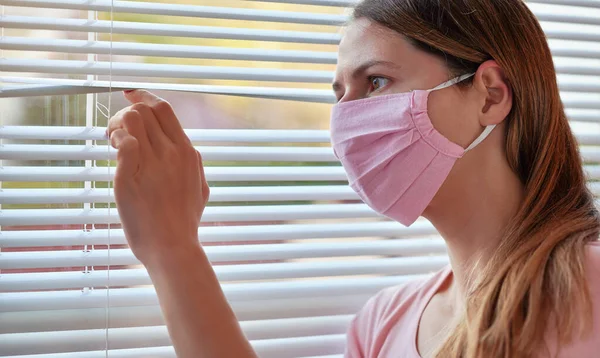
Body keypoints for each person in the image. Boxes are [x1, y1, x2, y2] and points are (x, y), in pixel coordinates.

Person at [106, 0, 600, 357]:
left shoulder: (586, 286)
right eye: (339, 92)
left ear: (490, 95)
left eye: (376, 81)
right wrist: (171, 248)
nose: (345, 118)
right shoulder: (382, 324)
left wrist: (174, 252)